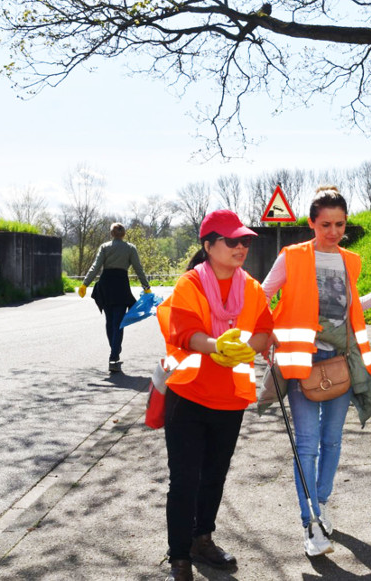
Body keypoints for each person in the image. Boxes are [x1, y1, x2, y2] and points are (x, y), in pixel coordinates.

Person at [261, 186, 371, 557]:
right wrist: (265, 337)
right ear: (311, 223)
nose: (334, 231)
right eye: (326, 224)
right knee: (306, 444)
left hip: (340, 364)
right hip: (301, 363)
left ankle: (318, 504)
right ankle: (311, 521)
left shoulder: (350, 261)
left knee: (333, 441)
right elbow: (261, 296)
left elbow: (348, 308)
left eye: (340, 224)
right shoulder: (291, 257)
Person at [156, 209, 273, 581]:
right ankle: (179, 557)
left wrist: (249, 347)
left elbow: (263, 330)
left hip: (230, 398)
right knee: (185, 479)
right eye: (232, 240)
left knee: (214, 475)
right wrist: (216, 345)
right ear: (208, 246)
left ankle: (201, 540)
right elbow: (185, 332)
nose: (241, 247)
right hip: (187, 396)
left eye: (245, 241)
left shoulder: (252, 288)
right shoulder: (189, 284)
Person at [77, 222, 152, 373]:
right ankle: (114, 356)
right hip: (120, 287)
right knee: (118, 323)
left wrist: (85, 284)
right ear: (123, 234)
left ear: (111, 234)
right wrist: (146, 287)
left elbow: (95, 266)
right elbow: (139, 269)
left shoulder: (105, 247)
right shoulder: (130, 248)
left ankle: (114, 350)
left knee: (109, 321)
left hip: (106, 286)